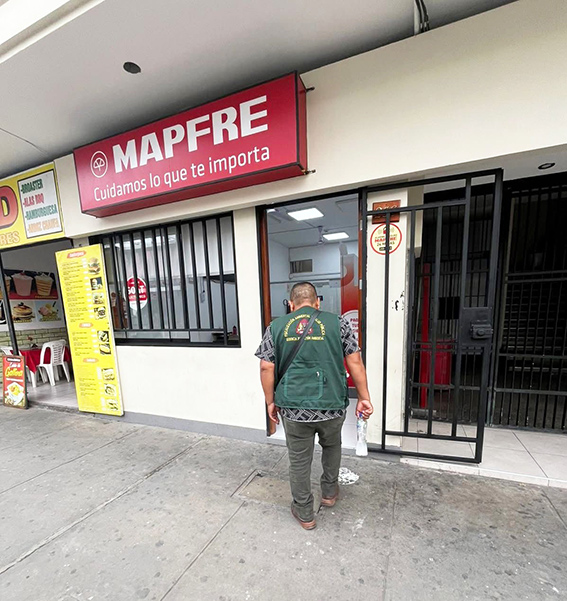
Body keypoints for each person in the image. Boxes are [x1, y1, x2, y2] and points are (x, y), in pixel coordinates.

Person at [256, 281, 373, 530]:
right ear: (317, 302)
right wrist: (364, 397)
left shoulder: (275, 327)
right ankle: (329, 492)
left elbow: (266, 366)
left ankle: (304, 511)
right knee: (332, 446)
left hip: (293, 407)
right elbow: (355, 362)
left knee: (299, 459)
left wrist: (270, 401)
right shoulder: (338, 323)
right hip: (331, 403)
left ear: (291, 305)